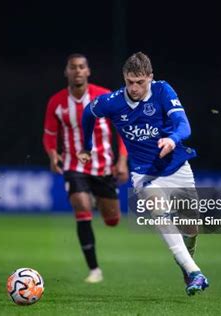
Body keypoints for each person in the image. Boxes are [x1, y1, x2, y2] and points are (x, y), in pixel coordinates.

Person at [79, 52, 209, 295]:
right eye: (130, 81)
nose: (135, 87)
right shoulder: (113, 102)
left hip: (177, 166)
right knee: (160, 214)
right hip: (144, 173)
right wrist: (86, 146)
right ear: (124, 78)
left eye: (140, 82)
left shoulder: (162, 91)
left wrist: (172, 139)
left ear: (150, 77)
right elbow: (88, 113)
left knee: (191, 228)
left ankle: (186, 262)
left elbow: (184, 125)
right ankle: (195, 273)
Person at [43, 54, 128, 283]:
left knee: (112, 220)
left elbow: (122, 130)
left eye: (81, 67)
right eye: (73, 67)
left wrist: (122, 161)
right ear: (67, 72)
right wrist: (53, 156)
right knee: (80, 205)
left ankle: (97, 197)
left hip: (103, 167)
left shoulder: (104, 96)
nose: (78, 71)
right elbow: (50, 135)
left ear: (88, 71)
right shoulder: (57, 102)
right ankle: (94, 270)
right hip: (74, 165)